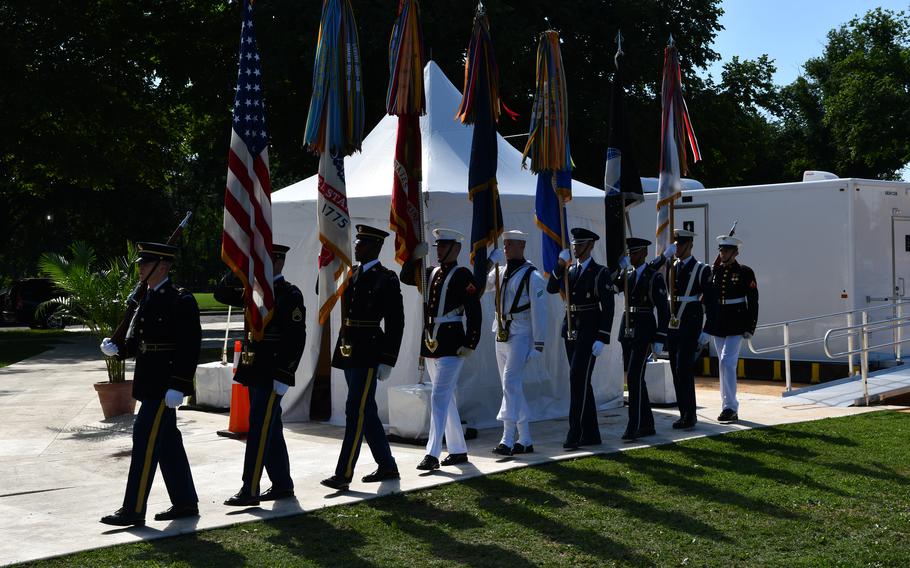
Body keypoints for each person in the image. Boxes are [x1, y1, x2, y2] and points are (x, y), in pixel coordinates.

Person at [99, 242, 201, 526]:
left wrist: (179, 385)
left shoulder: (180, 299)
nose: (140, 267)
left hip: (164, 386)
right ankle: (185, 502)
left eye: (146, 263)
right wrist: (117, 349)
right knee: (168, 444)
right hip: (150, 383)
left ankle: (133, 509)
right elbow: (142, 342)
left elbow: (189, 347)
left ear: (163, 266)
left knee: (144, 442)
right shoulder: (148, 297)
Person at [214, 244, 306, 506]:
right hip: (253, 369)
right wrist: (239, 269)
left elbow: (296, 338)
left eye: (263, 261)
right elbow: (220, 293)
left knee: (258, 428)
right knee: (271, 427)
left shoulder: (289, 294)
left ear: (278, 263)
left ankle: (250, 488)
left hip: (272, 372)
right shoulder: (252, 289)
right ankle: (282, 484)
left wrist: (285, 375)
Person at [321, 225, 405, 491]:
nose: (356, 246)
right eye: (356, 242)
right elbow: (321, 290)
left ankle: (344, 473)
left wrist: (388, 359)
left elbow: (396, 323)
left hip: (369, 351)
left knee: (354, 409)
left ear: (375, 246)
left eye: (362, 243)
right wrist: (327, 264)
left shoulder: (386, 278)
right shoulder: (350, 272)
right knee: (365, 410)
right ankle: (387, 465)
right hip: (348, 348)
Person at [400, 228, 482, 471]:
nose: (438, 251)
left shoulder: (462, 274)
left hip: (451, 345)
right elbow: (406, 278)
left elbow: (474, 311)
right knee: (446, 401)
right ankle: (458, 451)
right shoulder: (431, 272)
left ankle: (432, 454)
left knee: (438, 398)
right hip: (430, 343)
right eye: (436, 247)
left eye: (443, 247)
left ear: (455, 249)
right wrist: (414, 257)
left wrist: (470, 342)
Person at [546, 227, 614, 450]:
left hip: (589, 333)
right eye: (574, 244)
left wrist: (602, 338)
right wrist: (559, 265)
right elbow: (551, 288)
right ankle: (591, 433)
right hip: (571, 331)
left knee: (576, 379)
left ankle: (574, 432)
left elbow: (609, 308)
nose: (576, 248)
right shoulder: (569, 270)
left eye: (580, 244)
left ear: (591, 245)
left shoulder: (600, 272)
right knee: (582, 382)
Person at [484, 230, 547, 456]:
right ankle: (526, 438)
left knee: (510, 382)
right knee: (510, 386)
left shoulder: (533, 276)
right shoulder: (499, 272)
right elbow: (481, 287)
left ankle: (507, 438)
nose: (505, 248)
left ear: (522, 246)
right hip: (501, 331)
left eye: (510, 244)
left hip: (521, 332)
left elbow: (540, 312)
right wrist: (487, 262)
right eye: (504, 244)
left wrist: (538, 342)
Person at [615, 238, 670, 440]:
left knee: (633, 378)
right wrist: (618, 269)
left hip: (644, 329)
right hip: (627, 328)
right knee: (636, 378)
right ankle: (647, 423)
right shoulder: (627, 274)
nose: (632, 256)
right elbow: (613, 286)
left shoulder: (654, 277)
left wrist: (660, 338)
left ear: (645, 253)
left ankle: (634, 425)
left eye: (636, 252)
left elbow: (664, 310)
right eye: (630, 253)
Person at [703, 233, 759, 423]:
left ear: (735, 252)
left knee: (727, 362)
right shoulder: (715, 271)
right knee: (722, 364)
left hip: (737, 322)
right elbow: (710, 299)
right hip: (719, 322)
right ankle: (726, 405)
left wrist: (751, 326)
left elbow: (753, 301)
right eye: (721, 249)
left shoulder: (745, 272)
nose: (722, 253)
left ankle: (730, 406)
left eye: (726, 250)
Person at [665, 230, 711, 430]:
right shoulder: (670, 265)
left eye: (680, 245)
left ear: (690, 245)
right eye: (675, 244)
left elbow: (711, 301)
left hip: (690, 323)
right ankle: (683, 413)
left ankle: (690, 414)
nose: (677, 248)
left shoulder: (701, 269)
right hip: (674, 324)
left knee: (684, 368)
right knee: (676, 369)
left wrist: (707, 329)